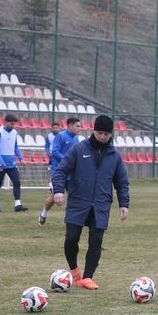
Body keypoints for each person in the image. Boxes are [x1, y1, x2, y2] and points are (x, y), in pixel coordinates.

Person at [52, 115, 130, 290]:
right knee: (71, 238)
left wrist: (124, 204)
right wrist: (58, 190)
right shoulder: (78, 149)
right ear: (94, 131)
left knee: (96, 240)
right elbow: (61, 170)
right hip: (78, 202)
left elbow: (122, 182)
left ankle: (88, 277)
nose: (103, 137)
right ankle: (75, 273)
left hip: (101, 204)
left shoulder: (114, 156)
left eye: (106, 134)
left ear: (110, 134)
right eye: (100, 133)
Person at [39, 117, 81, 226]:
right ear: (70, 126)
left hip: (71, 173)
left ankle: (71, 220)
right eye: (77, 126)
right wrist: (67, 160)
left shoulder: (76, 139)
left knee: (74, 196)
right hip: (60, 172)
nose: (79, 128)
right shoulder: (60, 136)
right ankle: (43, 214)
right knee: (55, 199)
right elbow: (55, 152)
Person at [0, 113, 28, 212]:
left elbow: (15, 146)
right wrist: (0, 160)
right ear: (6, 122)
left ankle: (18, 205)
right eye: (11, 124)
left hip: (11, 162)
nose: (13, 126)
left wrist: (20, 158)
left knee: (17, 181)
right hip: (1, 163)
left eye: (14, 124)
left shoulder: (14, 133)